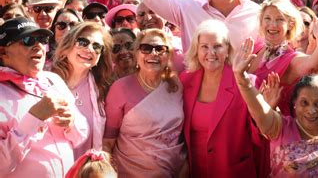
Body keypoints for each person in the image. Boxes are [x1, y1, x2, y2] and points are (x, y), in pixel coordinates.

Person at [233, 40, 318, 178]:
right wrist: (242, 79)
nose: (311, 110)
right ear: (294, 103)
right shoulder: (281, 128)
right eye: (304, 103)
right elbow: (260, 109)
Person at [0, 17, 89, 177]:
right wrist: (35, 117)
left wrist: (72, 122)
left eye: (41, 39)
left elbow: (81, 134)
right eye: (27, 40)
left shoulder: (52, 79)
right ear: (3, 52)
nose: (38, 46)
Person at [180, 20, 263, 177]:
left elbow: (260, 137)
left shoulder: (246, 82)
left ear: (227, 50)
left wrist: (261, 115)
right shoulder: (185, 80)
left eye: (217, 46)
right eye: (204, 46)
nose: (211, 52)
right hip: (194, 171)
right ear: (196, 50)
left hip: (232, 172)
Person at [246, 0, 318, 116]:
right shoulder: (257, 48)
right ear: (261, 21)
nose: (272, 25)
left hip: (271, 130)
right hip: (244, 121)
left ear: (290, 24)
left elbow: (315, 62)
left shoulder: (291, 59)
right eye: (267, 18)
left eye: (280, 19)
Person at [104, 29, 185, 177]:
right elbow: (107, 143)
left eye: (160, 49)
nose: (153, 53)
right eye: (146, 48)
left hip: (175, 171)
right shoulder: (120, 88)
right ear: (136, 54)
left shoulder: (177, 85)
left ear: (169, 55)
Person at [52, 22, 113, 159]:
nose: (90, 49)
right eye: (83, 42)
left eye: (96, 47)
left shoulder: (103, 89)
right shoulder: (46, 81)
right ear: (67, 47)